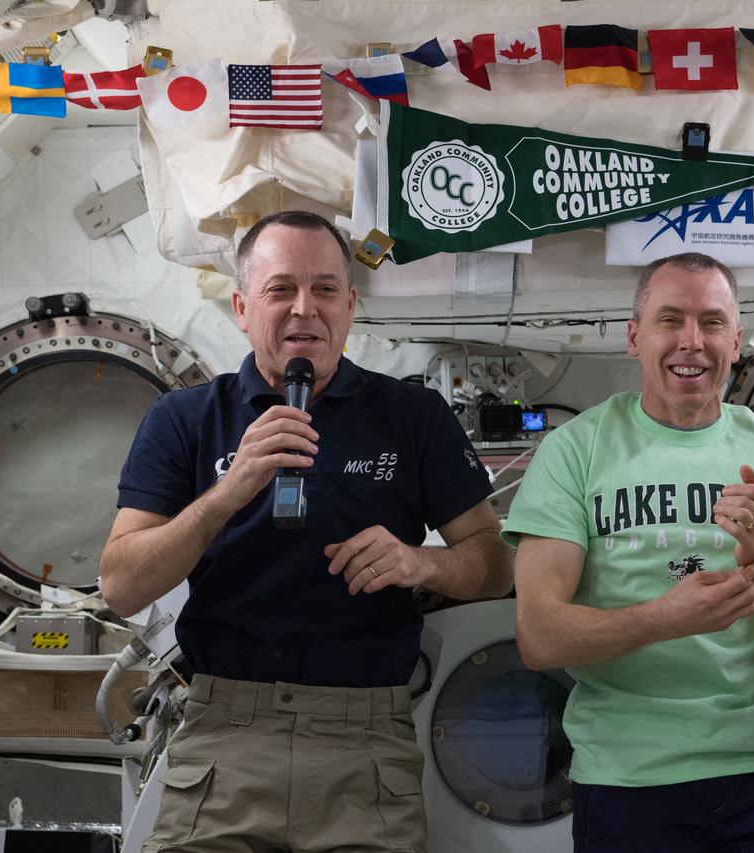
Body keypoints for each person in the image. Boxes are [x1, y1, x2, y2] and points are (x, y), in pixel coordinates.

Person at [101, 210, 513, 853]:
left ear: (350, 306)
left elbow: (493, 563)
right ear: (241, 307)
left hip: (367, 740)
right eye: (280, 290)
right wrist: (228, 492)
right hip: (225, 733)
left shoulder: (412, 417)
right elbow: (122, 586)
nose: (305, 310)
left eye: (324, 290)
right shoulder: (184, 419)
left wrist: (421, 563)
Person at [503, 252, 754, 853]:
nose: (692, 341)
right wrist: (667, 617)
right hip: (627, 780)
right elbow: (539, 635)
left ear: (736, 340)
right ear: (635, 337)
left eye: (712, 322)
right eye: (671, 320)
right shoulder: (575, 451)